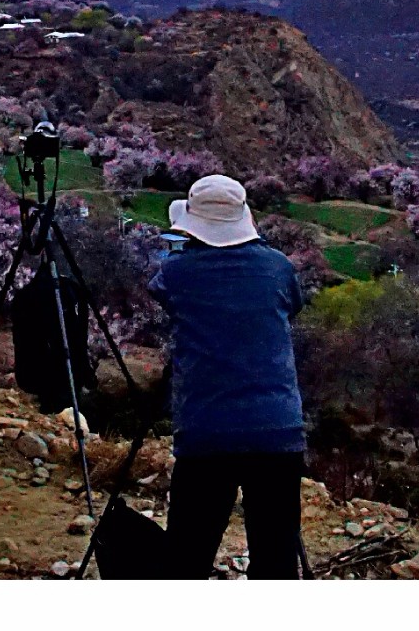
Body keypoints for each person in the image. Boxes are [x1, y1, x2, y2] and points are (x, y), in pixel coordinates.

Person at [149, 174, 306, 580]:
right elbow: (294, 304)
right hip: (277, 430)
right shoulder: (278, 268)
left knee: (187, 553)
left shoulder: (176, 273)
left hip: (207, 430)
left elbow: (161, 291)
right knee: (276, 560)